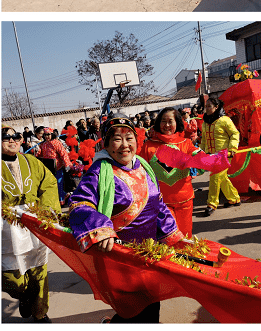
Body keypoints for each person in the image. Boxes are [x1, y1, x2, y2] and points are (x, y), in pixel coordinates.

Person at [68, 114, 188, 323]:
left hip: (150, 252)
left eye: (129, 138)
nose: (124, 145)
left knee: (151, 302)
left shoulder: (143, 166)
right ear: (106, 143)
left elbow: (158, 204)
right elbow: (80, 204)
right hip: (121, 257)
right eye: (117, 138)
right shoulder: (99, 171)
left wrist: (174, 237)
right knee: (133, 310)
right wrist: (101, 229)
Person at [2, 124, 61, 323]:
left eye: (15, 136)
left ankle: (40, 313)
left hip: (35, 223)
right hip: (6, 228)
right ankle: (24, 295)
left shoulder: (31, 161)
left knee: (39, 270)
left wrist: (46, 210)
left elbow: (49, 183)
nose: (11, 140)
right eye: (4, 137)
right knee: (12, 277)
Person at [139, 107, 201, 238]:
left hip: (185, 200)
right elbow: (140, 172)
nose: (167, 125)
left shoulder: (186, 143)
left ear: (177, 123)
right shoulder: (149, 146)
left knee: (186, 236)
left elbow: (198, 157)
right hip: (161, 203)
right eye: (163, 121)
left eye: (170, 121)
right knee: (169, 239)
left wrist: (208, 159)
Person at [200, 96, 240, 214]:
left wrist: (233, 147)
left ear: (216, 107)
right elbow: (204, 140)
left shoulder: (225, 120)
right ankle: (234, 199)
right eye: (205, 106)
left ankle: (211, 204)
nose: (206, 109)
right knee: (222, 179)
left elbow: (234, 133)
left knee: (215, 178)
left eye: (209, 106)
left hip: (224, 155)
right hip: (211, 156)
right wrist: (200, 152)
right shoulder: (205, 123)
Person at [32, 126, 73, 204]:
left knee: (59, 184)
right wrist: (36, 153)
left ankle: (61, 201)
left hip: (58, 167)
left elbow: (63, 154)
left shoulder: (57, 143)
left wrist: (67, 164)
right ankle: (65, 195)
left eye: (48, 134)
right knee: (52, 184)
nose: (46, 136)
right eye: (45, 135)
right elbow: (41, 154)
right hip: (49, 167)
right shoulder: (43, 144)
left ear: (52, 134)